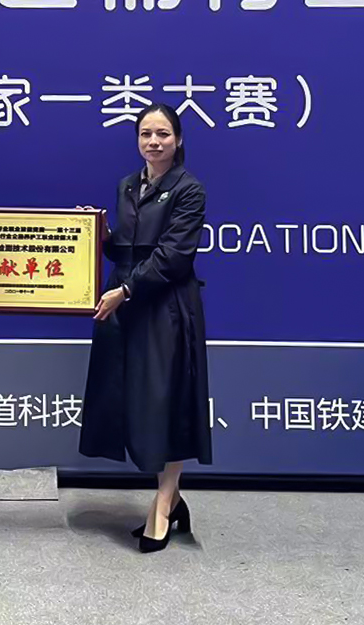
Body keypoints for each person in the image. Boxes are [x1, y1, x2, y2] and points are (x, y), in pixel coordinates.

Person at [78, 102, 211, 553]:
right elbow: (125, 249)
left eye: (162, 134)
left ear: (178, 139)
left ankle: (163, 502)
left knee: (166, 403)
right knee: (136, 402)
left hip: (165, 306)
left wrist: (126, 290)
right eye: (145, 134)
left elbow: (174, 257)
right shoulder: (128, 185)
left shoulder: (189, 189)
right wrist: (96, 233)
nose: (153, 142)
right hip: (127, 303)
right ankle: (172, 500)